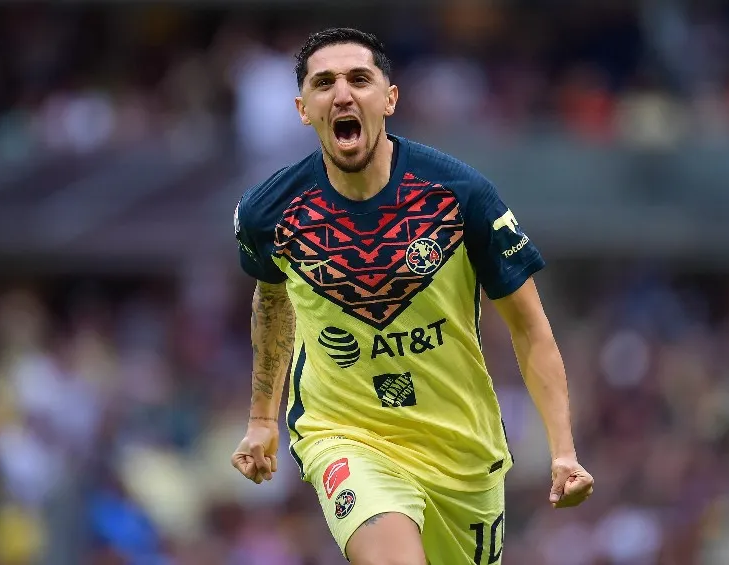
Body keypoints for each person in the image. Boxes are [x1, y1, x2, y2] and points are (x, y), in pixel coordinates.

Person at [230, 27, 593, 565]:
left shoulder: (461, 195)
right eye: (324, 83)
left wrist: (563, 451)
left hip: (461, 452)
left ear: (390, 99)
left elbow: (530, 328)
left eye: (359, 79)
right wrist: (263, 420)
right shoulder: (269, 212)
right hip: (345, 434)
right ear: (304, 108)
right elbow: (273, 300)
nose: (343, 94)